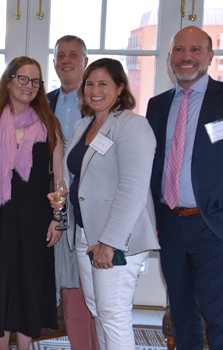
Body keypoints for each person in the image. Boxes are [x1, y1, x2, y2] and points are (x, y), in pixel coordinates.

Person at [49, 58, 159, 349]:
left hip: (115, 239)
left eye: (103, 83)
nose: (94, 90)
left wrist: (110, 242)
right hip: (86, 235)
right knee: (99, 311)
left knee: (113, 315)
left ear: (120, 87)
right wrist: (63, 197)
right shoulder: (85, 125)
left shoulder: (133, 126)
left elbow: (132, 189)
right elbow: (81, 176)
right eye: (90, 83)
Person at [0, 56, 64, 350]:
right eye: (22, 78)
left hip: (35, 222)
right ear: (8, 80)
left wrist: (58, 219)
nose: (29, 85)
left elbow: (58, 180)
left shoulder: (48, 123)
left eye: (35, 80)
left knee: (29, 285)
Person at [146, 26, 223, 350]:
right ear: (169, 57)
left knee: (218, 314)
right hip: (172, 224)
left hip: (213, 227)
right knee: (181, 312)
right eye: (180, 50)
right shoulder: (157, 105)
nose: (187, 57)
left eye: (195, 50)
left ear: (209, 56)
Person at [47, 35, 98, 350]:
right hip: (56, 204)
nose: (66, 60)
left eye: (73, 55)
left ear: (85, 61)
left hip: (92, 204)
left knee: (94, 287)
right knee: (69, 286)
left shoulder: (98, 102)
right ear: (54, 63)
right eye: (60, 55)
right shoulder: (44, 102)